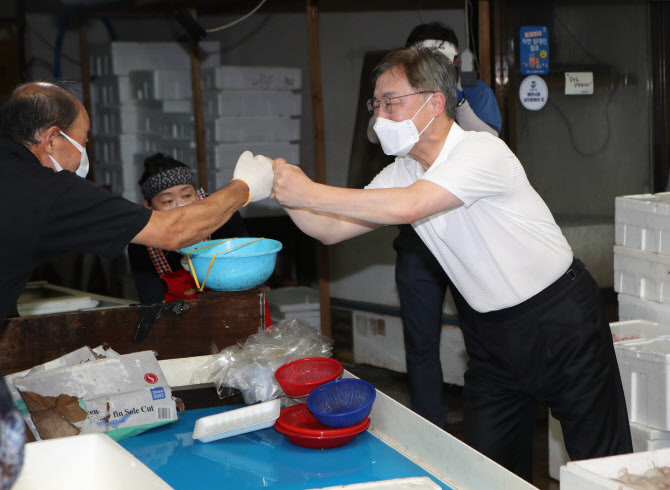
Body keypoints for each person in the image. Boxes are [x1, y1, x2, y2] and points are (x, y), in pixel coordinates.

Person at [270, 46, 632, 482]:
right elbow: (328, 229)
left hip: (559, 319)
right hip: (490, 338)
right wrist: (276, 189)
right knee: (485, 469)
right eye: (376, 103)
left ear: (434, 102)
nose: (380, 114)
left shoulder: (482, 152)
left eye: (390, 101)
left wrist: (307, 190)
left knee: (600, 464)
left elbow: (411, 206)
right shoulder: (402, 170)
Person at [0, 81, 273, 489]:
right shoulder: (45, 188)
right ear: (52, 138)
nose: (84, 152)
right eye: (84, 141)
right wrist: (244, 187)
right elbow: (176, 230)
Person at [389, 22, 503, 429]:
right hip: (418, 239)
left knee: (484, 339)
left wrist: (457, 97)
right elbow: (376, 134)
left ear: (456, 60)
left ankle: (484, 433)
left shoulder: (478, 92)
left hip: (468, 237)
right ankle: (429, 429)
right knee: (421, 343)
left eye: (445, 59)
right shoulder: (396, 100)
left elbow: (492, 141)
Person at [128, 153, 248, 304]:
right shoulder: (142, 239)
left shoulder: (224, 216)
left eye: (186, 195)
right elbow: (151, 301)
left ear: (198, 194)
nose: (180, 207)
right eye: (168, 201)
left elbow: (245, 273)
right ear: (148, 205)